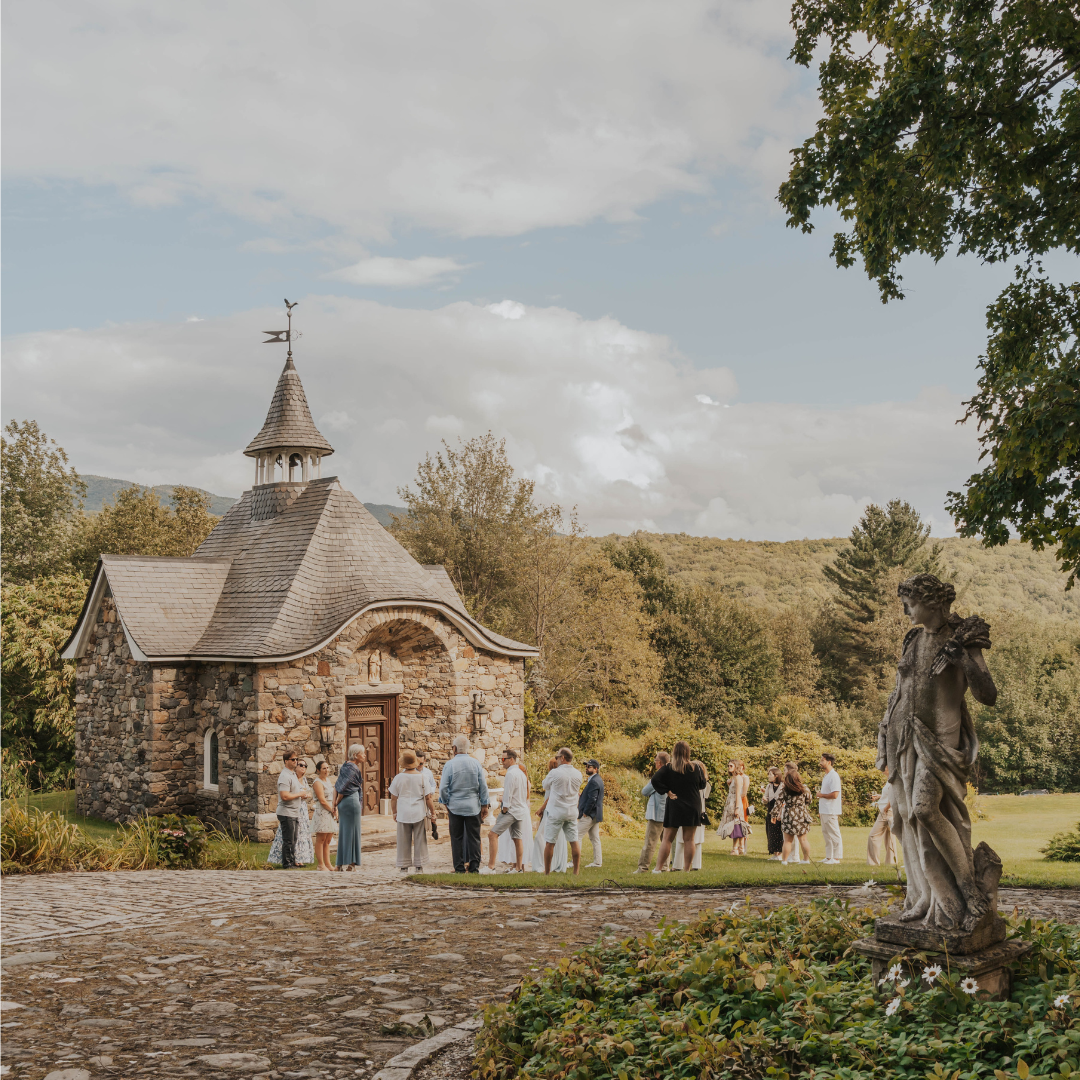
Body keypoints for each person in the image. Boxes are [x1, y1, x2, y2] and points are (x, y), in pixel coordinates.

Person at [651, 740, 707, 873]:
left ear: (674, 752)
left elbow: (655, 780)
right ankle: (686, 869)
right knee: (689, 839)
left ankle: (658, 868)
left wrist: (667, 790)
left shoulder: (669, 768)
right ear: (688, 753)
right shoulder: (696, 768)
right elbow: (702, 785)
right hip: (693, 805)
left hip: (675, 804)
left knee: (667, 838)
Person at [438, 735, 490, 873]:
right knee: (474, 837)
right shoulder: (476, 763)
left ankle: (459, 867)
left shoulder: (450, 764)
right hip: (473, 806)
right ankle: (474, 867)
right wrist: (484, 804)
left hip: (455, 806)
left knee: (456, 838)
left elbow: (443, 787)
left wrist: (445, 801)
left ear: (454, 749)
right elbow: (483, 786)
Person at [483, 748, 530, 873]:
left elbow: (508, 795)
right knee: (517, 838)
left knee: (492, 834)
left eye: (504, 759)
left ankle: (491, 867)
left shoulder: (510, 773)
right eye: (501, 759)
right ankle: (518, 868)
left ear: (512, 759)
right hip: (520, 810)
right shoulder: (521, 773)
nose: (502, 761)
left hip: (511, 811)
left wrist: (503, 811)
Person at [390, 749, 436, 873]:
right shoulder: (422, 778)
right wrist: (433, 812)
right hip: (418, 811)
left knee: (403, 838)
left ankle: (403, 865)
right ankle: (419, 865)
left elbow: (393, 798)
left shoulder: (398, 778)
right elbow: (428, 798)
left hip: (403, 811)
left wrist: (394, 812)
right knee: (420, 838)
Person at [542, 747, 583, 875]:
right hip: (571, 810)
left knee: (550, 842)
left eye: (557, 757)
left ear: (563, 758)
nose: (556, 759)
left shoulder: (555, 773)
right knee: (573, 840)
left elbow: (545, 785)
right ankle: (576, 871)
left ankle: (547, 872)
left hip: (556, 811)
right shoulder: (578, 774)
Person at [270, 757, 314, 868]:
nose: (303, 767)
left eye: (305, 766)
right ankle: (288, 862)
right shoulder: (289, 777)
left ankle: (297, 859)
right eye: (301, 765)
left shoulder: (303, 780)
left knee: (298, 836)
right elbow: (286, 795)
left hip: (301, 808)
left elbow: (306, 793)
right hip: (291, 809)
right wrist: (300, 794)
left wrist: (305, 795)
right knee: (289, 837)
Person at [634, 751, 670, 873]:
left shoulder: (659, 776)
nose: (655, 763)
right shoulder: (671, 774)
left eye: (655, 760)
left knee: (650, 842)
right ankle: (665, 867)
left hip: (657, 814)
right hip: (667, 813)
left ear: (659, 762)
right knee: (666, 841)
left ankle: (643, 867)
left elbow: (645, 791)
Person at [333, 743, 366, 871]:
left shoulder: (345, 766)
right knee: (353, 833)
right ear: (355, 755)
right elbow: (342, 787)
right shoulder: (353, 768)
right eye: (362, 753)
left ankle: (340, 864)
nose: (364, 755)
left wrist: (335, 803)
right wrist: (337, 801)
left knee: (344, 832)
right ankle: (351, 863)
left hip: (345, 803)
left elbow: (337, 785)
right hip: (351, 802)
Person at [673, 759, 710, 871]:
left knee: (681, 838)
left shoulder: (691, 783)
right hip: (700, 811)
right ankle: (696, 864)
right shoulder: (707, 785)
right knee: (696, 840)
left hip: (690, 810)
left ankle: (677, 865)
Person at [531, 756, 567, 873]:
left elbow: (552, 795)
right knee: (553, 837)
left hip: (551, 810)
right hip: (551, 810)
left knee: (540, 837)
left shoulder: (554, 776)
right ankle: (551, 862)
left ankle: (544, 864)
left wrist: (541, 808)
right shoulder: (558, 776)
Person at [773, 762, 812, 865]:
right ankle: (806, 860)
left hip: (789, 815)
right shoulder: (804, 789)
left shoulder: (785, 789)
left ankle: (784, 861)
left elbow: (778, 803)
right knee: (803, 839)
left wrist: (774, 814)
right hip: (801, 815)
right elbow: (809, 800)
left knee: (787, 841)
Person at [310, 759, 338, 872]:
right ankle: (320, 865)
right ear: (318, 770)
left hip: (330, 811)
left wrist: (335, 808)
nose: (326, 770)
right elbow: (322, 800)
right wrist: (332, 809)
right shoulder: (317, 782)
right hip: (323, 812)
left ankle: (328, 864)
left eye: (327, 768)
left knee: (328, 840)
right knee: (321, 839)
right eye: (324, 768)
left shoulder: (327, 781)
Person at [577, 759, 605, 868]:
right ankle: (597, 862)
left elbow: (593, 799)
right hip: (595, 814)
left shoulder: (594, 781)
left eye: (589, 767)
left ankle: (575, 861)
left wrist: (585, 812)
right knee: (595, 838)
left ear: (595, 769)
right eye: (586, 766)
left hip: (590, 814)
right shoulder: (596, 779)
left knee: (577, 835)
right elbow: (592, 796)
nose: (587, 768)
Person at [867, 765, 897, 866]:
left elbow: (893, 797)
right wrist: (880, 796)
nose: (883, 768)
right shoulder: (890, 780)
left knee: (873, 836)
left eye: (885, 766)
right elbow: (889, 794)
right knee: (889, 838)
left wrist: (885, 808)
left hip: (886, 812)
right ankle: (891, 862)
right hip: (888, 811)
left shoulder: (893, 780)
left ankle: (873, 862)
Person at [817, 752, 843, 863]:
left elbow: (835, 794)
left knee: (834, 834)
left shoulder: (834, 776)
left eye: (822, 760)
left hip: (831, 810)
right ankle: (829, 857)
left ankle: (836, 858)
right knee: (826, 834)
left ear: (829, 762)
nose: (820, 762)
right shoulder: (826, 776)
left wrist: (821, 795)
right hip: (824, 810)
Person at [762, 766, 785, 860]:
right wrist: (764, 800)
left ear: (776, 775)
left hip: (780, 810)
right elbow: (765, 799)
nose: (768, 776)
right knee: (771, 831)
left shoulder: (783, 785)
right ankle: (775, 853)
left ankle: (780, 853)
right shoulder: (769, 786)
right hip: (770, 809)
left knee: (779, 831)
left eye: (770, 774)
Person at [415, 749, 439, 839]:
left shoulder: (427, 772)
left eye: (421, 763)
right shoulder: (408, 772)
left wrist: (430, 791)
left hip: (426, 798)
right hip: (416, 800)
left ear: (424, 761)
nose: (419, 765)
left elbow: (433, 784)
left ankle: (432, 829)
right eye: (417, 762)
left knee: (428, 816)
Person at [731, 759, 750, 856]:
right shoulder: (734, 777)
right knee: (735, 823)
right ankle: (738, 847)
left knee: (742, 823)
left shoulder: (745, 778)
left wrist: (737, 801)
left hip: (742, 800)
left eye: (742, 766)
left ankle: (741, 846)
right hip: (735, 800)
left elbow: (743, 793)